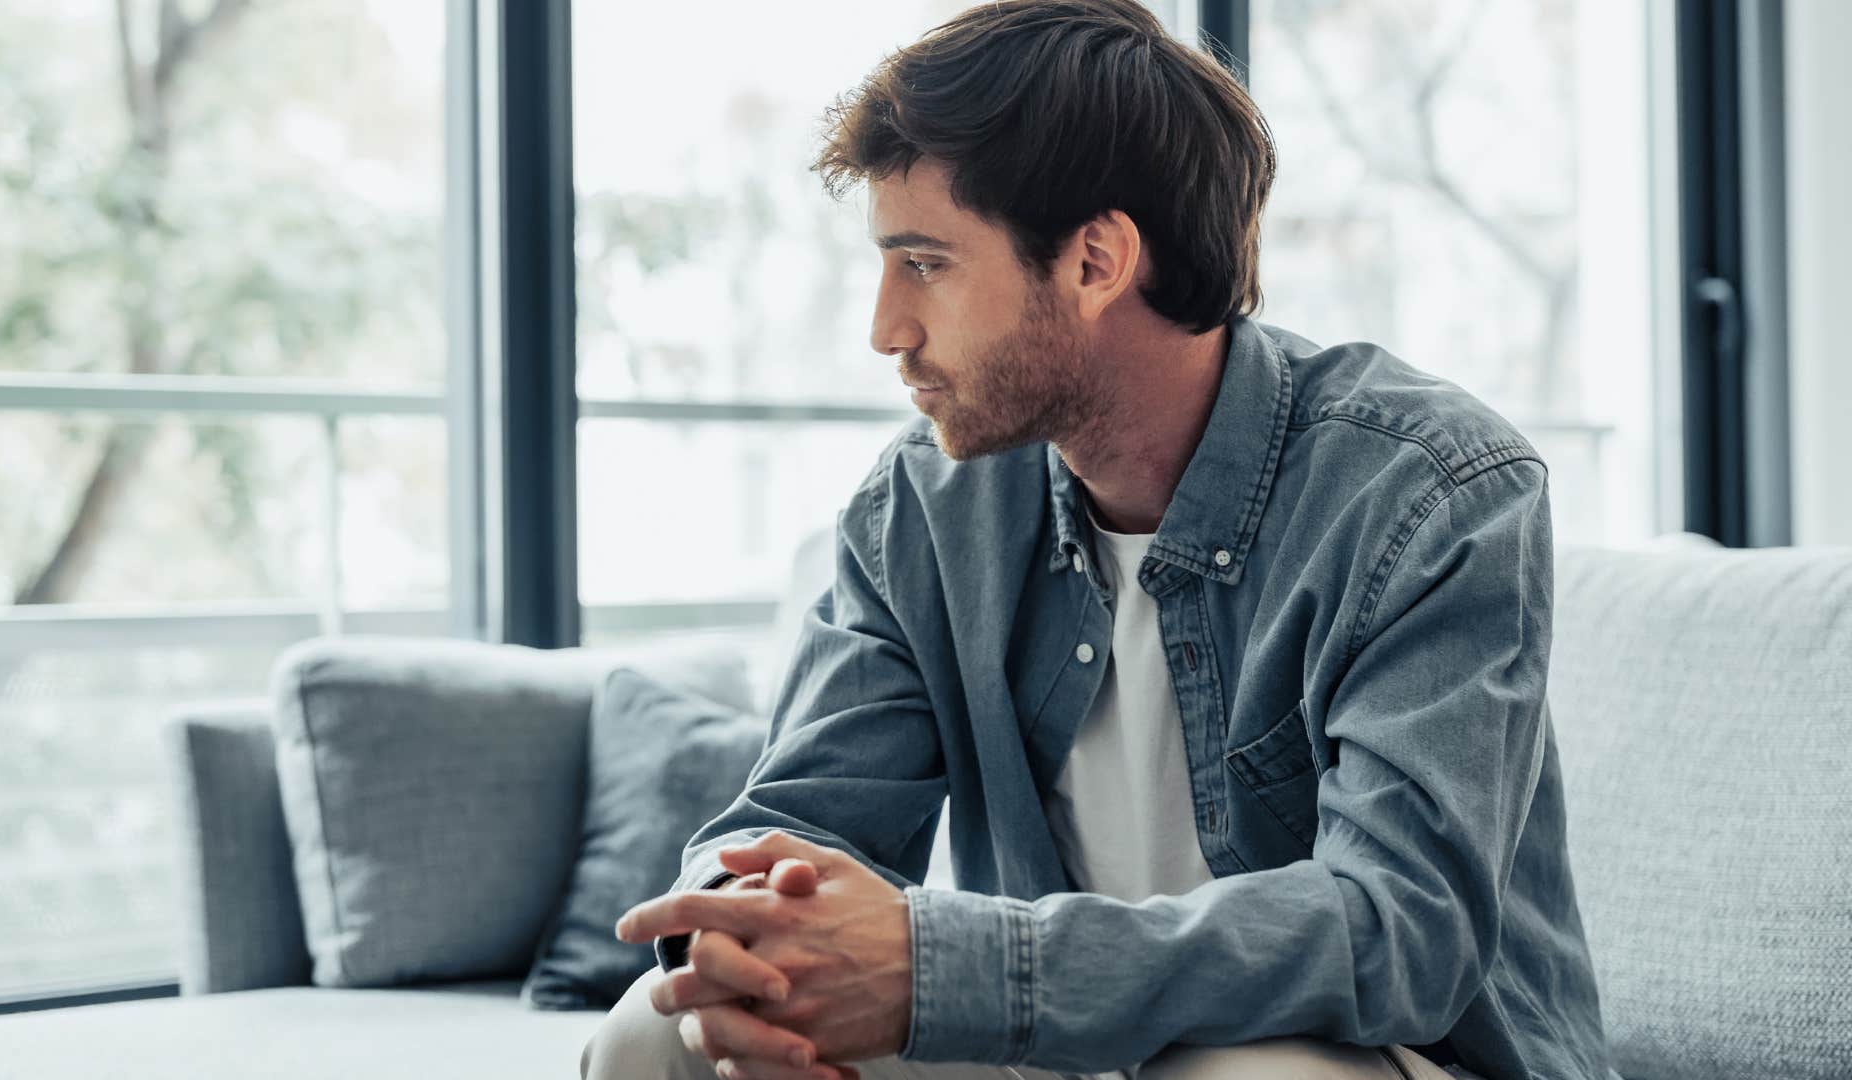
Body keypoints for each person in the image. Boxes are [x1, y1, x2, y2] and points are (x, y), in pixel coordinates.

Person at [584, 1, 1610, 1077]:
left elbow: (1399, 932)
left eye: (924, 263)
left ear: (1095, 261)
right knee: (664, 1032)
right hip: (1052, 1045)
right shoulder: (927, 509)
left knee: (1242, 1072)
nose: (885, 328)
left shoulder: (1429, 493)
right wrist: (751, 931)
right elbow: (799, 816)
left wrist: (952, 966)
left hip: (1377, 1053)